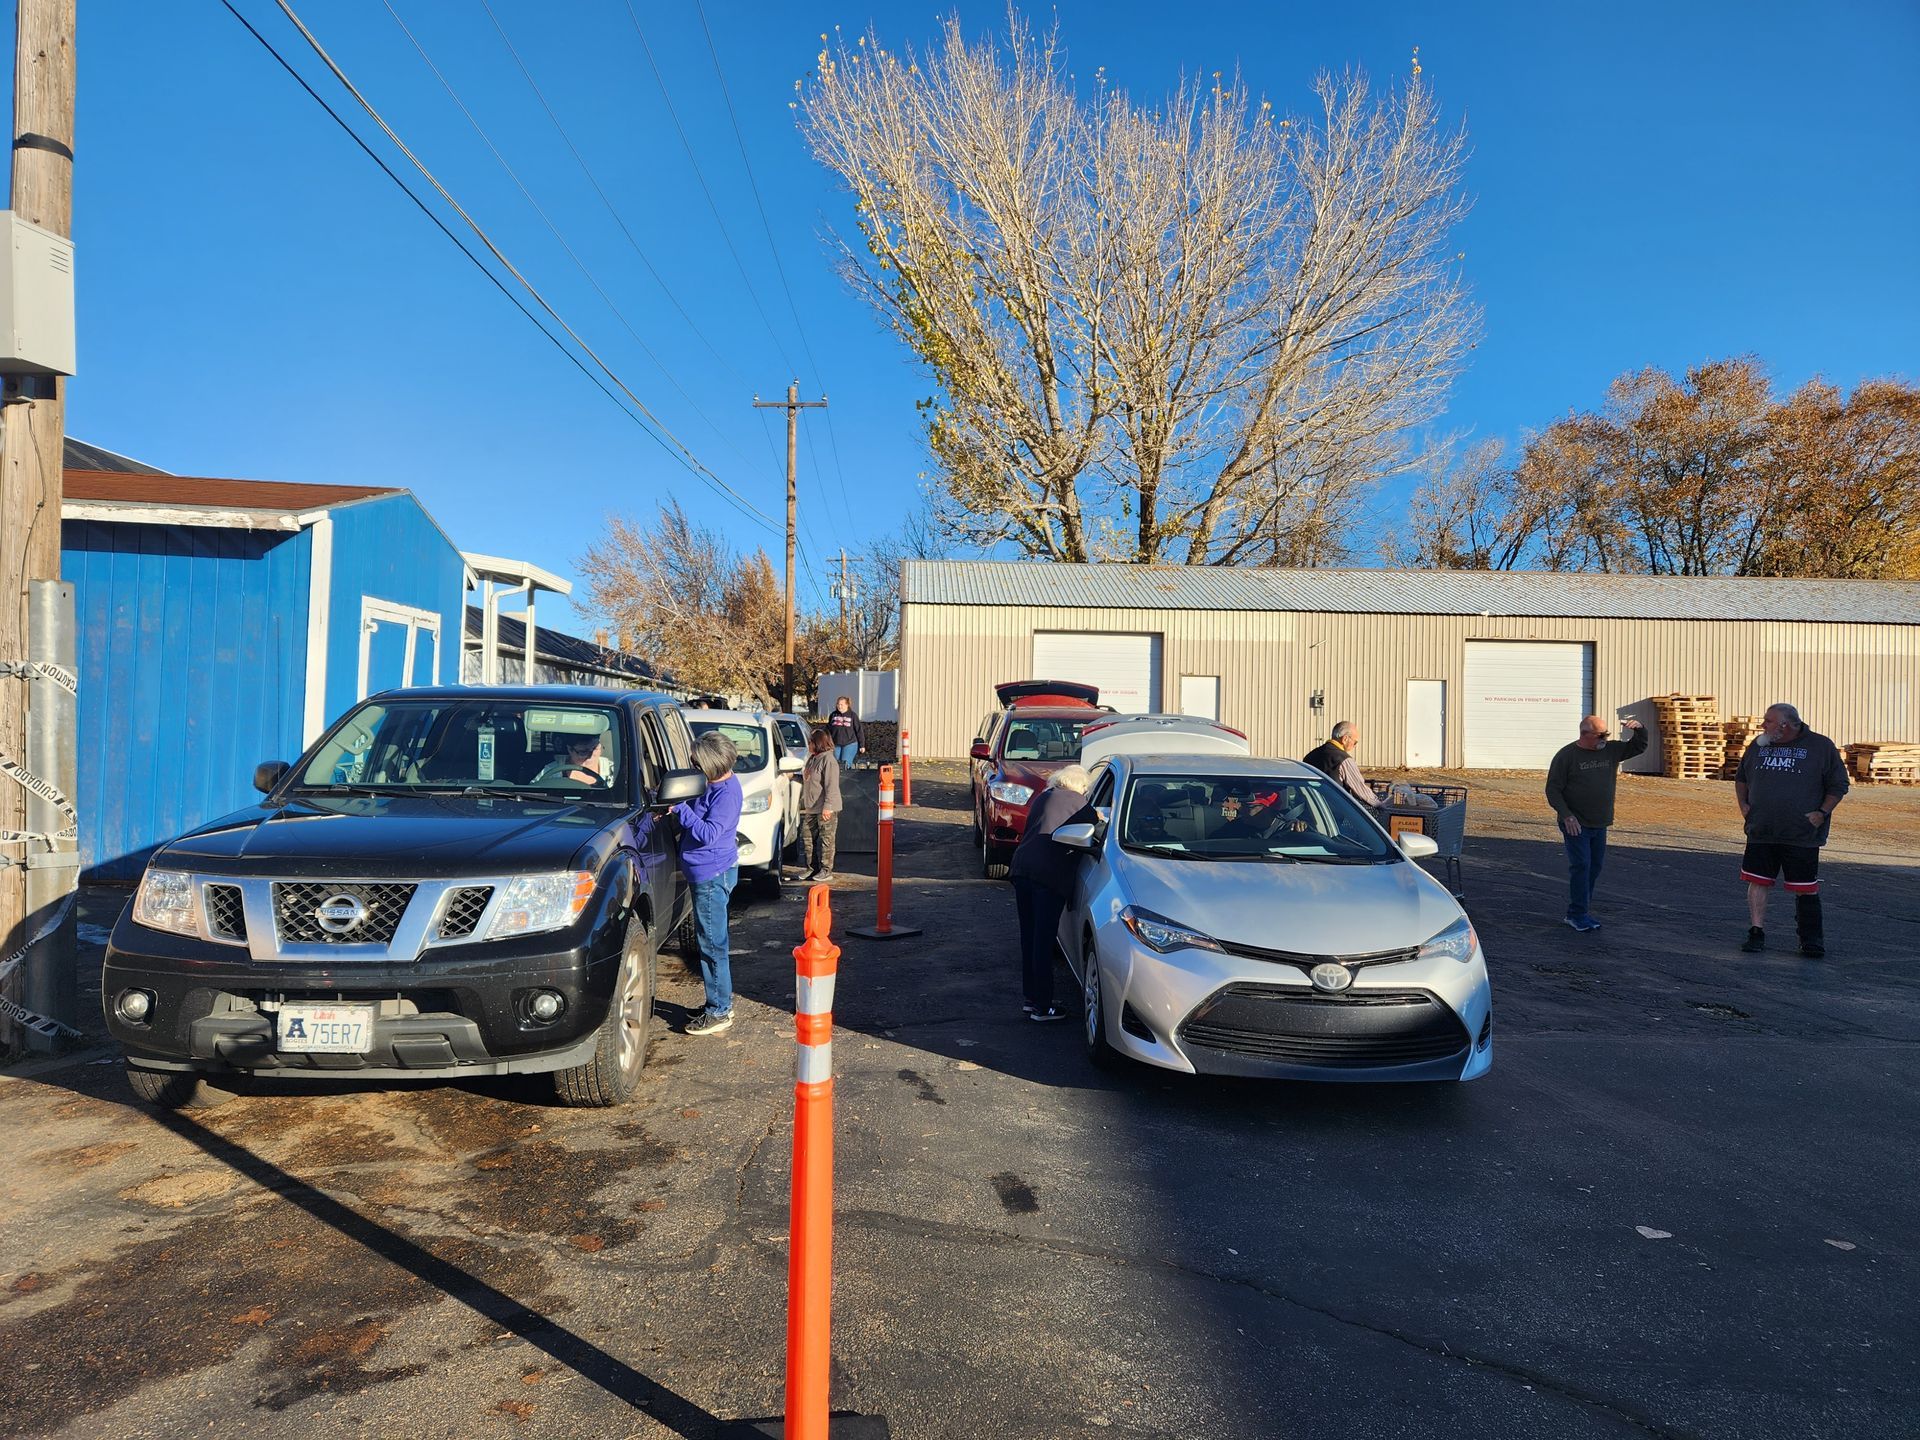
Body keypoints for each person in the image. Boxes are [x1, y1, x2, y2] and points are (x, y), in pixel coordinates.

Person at [1734, 702, 1848, 958]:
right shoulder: (1759, 745)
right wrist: (1744, 806)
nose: (1763, 725)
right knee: (1758, 882)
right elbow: (1741, 777)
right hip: (1762, 830)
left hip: (1801, 834)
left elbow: (1839, 784)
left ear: (1785, 725)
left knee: (1805, 887)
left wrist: (1821, 813)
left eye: (1769, 721)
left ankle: (1811, 940)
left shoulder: (1820, 747)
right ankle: (1756, 932)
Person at [1544, 714, 1648, 932]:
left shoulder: (1610, 750)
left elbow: (1638, 747)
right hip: (1576, 823)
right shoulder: (1567, 756)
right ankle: (1577, 914)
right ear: (1584, 735)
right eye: (1601, 735)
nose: (1605, 739)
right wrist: (1566, 815)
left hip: (1600, 822)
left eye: (1607, 734)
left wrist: (1639, 729)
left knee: (1594, 867)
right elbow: (1553, 789)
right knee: (1581, 866)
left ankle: (1582, 910)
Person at [1008, 764, 1094, 1022]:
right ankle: (1043, 1008)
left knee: (1030, 937)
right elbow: (1093, 834)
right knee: (1044, 941)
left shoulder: (1044, 796)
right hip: (1047, 877)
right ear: (1080, 786)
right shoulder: (1079, 804)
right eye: (1085, 788)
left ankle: (1031, 998)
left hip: (1022, 868)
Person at [674, 731, 744, 1035]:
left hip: (712, 875)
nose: (692, 765)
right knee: (710, 941)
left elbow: (707, 834)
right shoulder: (712, 784)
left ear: (711, 765)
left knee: (713, 944)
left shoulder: (726, 793)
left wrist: (680, 808)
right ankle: (718, 1001)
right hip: (706, 872)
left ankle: (719, 1011)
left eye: (696, 761)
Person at [798, 726, 841, 882]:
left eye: (811, 742)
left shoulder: (828, 760)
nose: (808, 745)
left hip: (824, 808)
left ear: (818, 743)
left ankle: (826, 869)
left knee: (826, 839)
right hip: (812, 807)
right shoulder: (812, 758)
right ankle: (811, 867)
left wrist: (828, 807)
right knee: (807, 837)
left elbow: (831, 785)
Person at [1303, 722, 1379, 810]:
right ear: (1345, 739)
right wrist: (1381, 805)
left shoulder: (1310, 756)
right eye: (1355, 742)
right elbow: (1361, 791)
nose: (1354, 746)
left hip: (1309, 809)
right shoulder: (1345, 760)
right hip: (1333, 813)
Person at [530, 730, 610, 787]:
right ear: (570, 749)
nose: (590, 756)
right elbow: (532, 792)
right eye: (583, 752)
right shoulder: (551, 771)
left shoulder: (612, 771)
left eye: (595, 749)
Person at [825, 695, 864, 770]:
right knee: (835, 764)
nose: (839, 706)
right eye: (838, 704)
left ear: (847, 705)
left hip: (850, 743)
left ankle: (845, 780)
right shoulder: (833, 715)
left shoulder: (853, 715)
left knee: (845, 763)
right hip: (835, 743)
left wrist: (862, 745)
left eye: (841, 704)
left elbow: (859, 730)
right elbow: (828, 729)